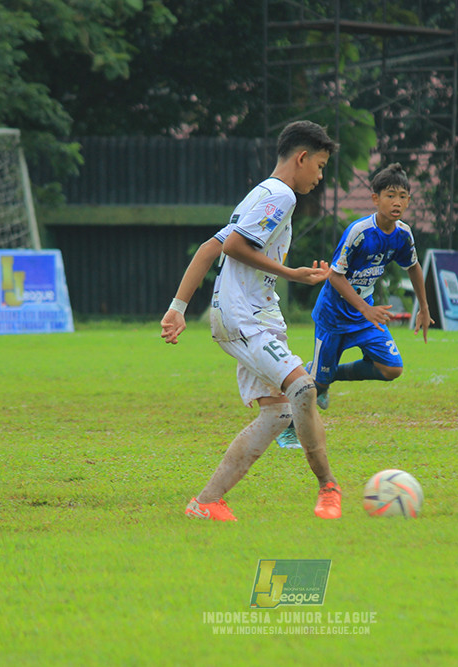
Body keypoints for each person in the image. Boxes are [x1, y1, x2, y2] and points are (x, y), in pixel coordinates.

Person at [161, 120, 341, 521]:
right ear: (302, 157)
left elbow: (212, 247)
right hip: (244, 319)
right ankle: (329, 487)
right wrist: (293, 273)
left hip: (251, 315)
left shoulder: (261, 193)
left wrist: (178, 306)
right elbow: (237, 246)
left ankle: (206, 502)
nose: (320, 175)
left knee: (279, 412)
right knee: (304, 389)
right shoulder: (281, 195)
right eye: (321, 165)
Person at [275, 162, 434, 447]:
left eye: (402, 196)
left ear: (409, 200)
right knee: (316, 386)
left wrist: (424, 307)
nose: (396, 202)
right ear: (375, 198)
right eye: (390, 195)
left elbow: (413, 266)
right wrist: (364, 308)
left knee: (392, 368)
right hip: (334, 315)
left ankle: (325, 372)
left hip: (364, 314)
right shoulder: (359, 232)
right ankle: (289, 428)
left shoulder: (403, 235)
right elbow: (335, 276)